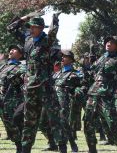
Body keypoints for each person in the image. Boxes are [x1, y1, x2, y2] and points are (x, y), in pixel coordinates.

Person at [7, 13, 67, 153]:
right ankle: (25, 149)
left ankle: (62, 147)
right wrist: (26, 17)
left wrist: (55, 19)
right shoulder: (27, 40)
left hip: (45, 86)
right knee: (29, 120)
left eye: (34, 27)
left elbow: (53, 31)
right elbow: (10, 28)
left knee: (54, 119)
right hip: (31, 88)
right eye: (30, 27)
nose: (31, 29)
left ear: (40, 28)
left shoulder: (46, 41)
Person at [83, 36, 117, 153]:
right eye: (107, 42)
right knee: (88, 122)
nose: (108, 43)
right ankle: (92, 149)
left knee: (112, 122)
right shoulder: (100, 59)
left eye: (112, 42)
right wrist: (88, 60)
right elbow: (91, 71)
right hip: (93, 93)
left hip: (106, 94)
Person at [0, 45, 26, 153]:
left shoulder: (22, 67)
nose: (11, 50)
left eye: (15, 49)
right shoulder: (2, 67)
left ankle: (20, 147)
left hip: (13, 100)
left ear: (20, 54)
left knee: (13, 125)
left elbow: (25, 80)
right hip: (1, 99)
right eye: (10, 49)